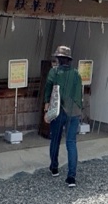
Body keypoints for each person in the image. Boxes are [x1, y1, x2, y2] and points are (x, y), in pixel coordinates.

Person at [43, 45, 83, 188]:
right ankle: (71, 177)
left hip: (59, 111)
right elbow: (80, 94)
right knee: (71, 143)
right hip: (75, 112)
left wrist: (46, 108)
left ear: (59, 59)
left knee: (55, 139)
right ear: (69, 60)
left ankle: (54, 168)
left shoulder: (54, 72)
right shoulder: (77, 74)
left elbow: (48, 90)